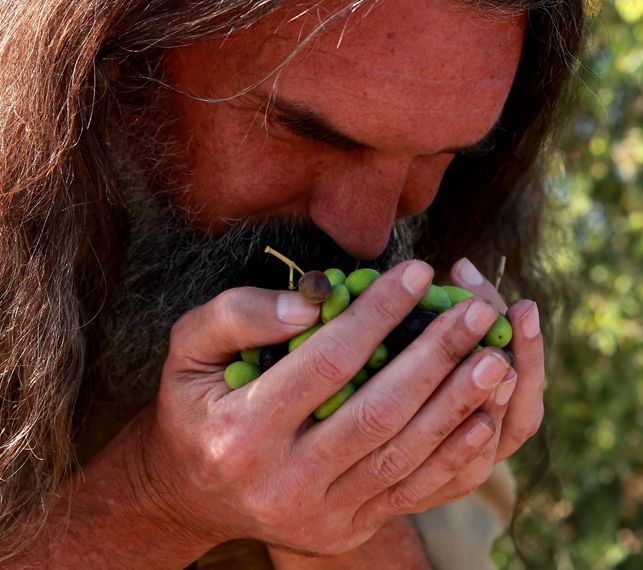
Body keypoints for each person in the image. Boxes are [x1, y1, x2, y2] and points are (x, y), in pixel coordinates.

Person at [0, 0, 584, 567]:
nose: (367, 236)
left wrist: (366, 479)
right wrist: (161, 500)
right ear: (129, 69)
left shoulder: (426, 355)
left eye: (438, 155)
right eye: (312, 135)